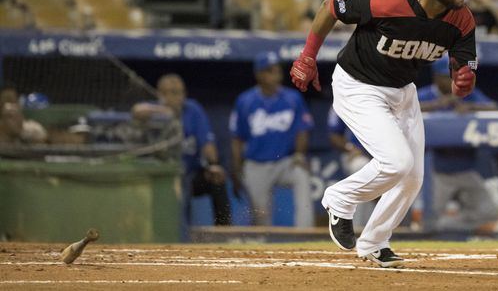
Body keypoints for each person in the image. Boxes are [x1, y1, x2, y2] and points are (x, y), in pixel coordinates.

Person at [290, 0, 477, 267]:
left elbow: (462, 69)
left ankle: (375, 242)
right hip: (358, 85)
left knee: (412, 177)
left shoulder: (461, 19)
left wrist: (464, 80)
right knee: (396, 162)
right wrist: (307, 56)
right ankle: (339, 198)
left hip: (402, 91)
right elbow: (331, 6)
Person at [132, 74, 231, 241]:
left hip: (191, 173)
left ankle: (224, 235)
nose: (179, 97)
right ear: (161, 94)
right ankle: (180, 240)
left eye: (180, 92)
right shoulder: (154, 111)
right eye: (172, 92)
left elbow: (207, 143)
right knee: (178, 191)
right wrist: (165, 110)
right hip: (163, 176)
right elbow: (137, 111)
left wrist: (213, 165)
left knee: (217, 180)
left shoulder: (192, 109)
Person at [230, 51, 314, 227]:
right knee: (260, 216)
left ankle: (304, 231)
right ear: (259, 74)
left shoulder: (293, 98)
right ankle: (263, 246)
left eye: (277, 69)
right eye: (270, 70)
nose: (275, 74)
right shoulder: (245, 101)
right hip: (256, 164)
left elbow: (302, 130)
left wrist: (299, 155)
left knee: (302, 175)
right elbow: (237, 138)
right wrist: (237, 167)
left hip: (284, 163)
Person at [418, 55, 498, 232]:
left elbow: (495, 108)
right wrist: (437, 105)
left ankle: (449, 226)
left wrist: (470, 108)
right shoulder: (426, 94)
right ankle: (437, 230)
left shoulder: (467, 94)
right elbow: (406, 109)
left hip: (467, 169)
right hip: (438, 171)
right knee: (429, 222)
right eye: (447, 76)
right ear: (436, 77)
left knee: (490, 212)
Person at [327, 106, 374, 228]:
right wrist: (350, 147)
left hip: (379, 154)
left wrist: (364, 150)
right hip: (354, 155)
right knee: (362, 167)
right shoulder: (341, 100)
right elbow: (334, 135)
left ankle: (395, 229)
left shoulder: (383, 95)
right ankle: (356, 228)